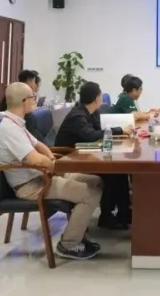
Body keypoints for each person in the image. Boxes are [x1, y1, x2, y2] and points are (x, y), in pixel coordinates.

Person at [0, 82, 103, 259]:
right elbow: (35, 160)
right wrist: (56, 168)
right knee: (90, 194)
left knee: (96, 181)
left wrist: (52, 161)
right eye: (33, 97)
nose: (35, 100)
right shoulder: (9, 129)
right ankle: (69, 244)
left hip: (42, 175)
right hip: (31, 185)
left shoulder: (17, 123)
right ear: (24, 101)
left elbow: (40, 146)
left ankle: (78, 232)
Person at [56, 82, 133, 230]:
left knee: (120, 171)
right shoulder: (77, 115)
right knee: (112, 173)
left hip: (83, 154)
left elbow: (99, 130)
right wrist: (119, 130)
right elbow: (91, 135)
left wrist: (118, 131)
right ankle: (107, 217)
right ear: (97, 98)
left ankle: (123, 213)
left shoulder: (91, 112)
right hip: (71, 161)